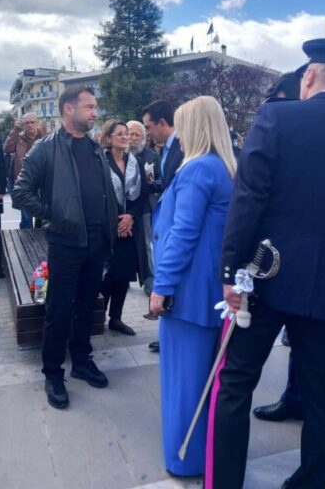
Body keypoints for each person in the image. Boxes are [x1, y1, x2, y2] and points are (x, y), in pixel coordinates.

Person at [207, 38, 325, 489]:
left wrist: (231, 273)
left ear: (309, 76)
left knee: (235, 384)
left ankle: (225, 483)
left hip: (265, 277)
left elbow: (248, 199)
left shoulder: (276, 118)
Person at [11, 86, 118, 410]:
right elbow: (20, 192)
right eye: (89, 107)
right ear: (68, 109)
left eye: (95, 107)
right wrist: (54, 214)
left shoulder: (95, 147)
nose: (95, 112)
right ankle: (53, 374)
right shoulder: (45, 148)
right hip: (66, 243)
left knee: (86, 306)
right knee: (58, 311)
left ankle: (82, 361)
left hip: (96, 241)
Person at [149, 96, 235, 476]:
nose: (179, 135)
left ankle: (184, 460)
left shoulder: (197, 169)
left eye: (182, 126)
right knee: (203, 380)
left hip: (187, 293)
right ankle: (202, 455)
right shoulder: (223, 168)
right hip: (208, 292)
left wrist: (162, 285)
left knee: (184, 383)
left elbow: (182, 234)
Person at [101, 120, 149, 336]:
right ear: (108, 138)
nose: (125, 137)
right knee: (106, 276)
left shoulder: (135, 162)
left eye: (126, 133)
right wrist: (117, 222)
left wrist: (130, 217)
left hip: (129, 228)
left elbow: (143, 194)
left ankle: (116, 318)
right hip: (108, 229)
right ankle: (98, 316)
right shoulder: (101, 162)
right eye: (119, 134)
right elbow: (99, 196)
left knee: (123, 276)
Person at [143, 99, 183, 352]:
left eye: (148, 127)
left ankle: (172, 334)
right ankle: (167, 333)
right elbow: (167, 184)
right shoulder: (165, 150)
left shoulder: (181, 148)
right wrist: (150, 185)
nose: (147, 133)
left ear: (162, 123)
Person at [127, 120, 160, 296]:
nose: (132, 138)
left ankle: (150, 279)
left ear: (143, 138)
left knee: (146, 244)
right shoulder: (119, 154)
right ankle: (124, 276)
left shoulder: (152, 156)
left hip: (145, 206)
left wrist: (150, 184)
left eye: (136, 134)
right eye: (130, 134)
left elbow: (161, 180)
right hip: (124, 207)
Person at [3, 112, 43, 228]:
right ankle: (26, 240)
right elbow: (6, 149)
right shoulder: (18, 138)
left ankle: (40, 239)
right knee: (26, 219)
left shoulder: (45, 137)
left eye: (32, 122)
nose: (30, 125)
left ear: (37, 123)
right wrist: (15, 130)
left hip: (43, 183)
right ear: (23, 125)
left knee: (42, 218)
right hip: (24, 183)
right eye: (27, 123)